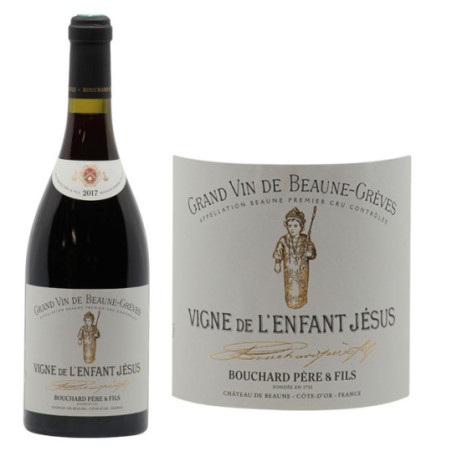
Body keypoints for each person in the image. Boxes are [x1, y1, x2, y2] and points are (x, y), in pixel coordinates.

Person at [273, 207, 317, 309]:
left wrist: (310, 254)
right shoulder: (284, 240)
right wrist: (277, 262)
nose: (292, 229)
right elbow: (279, 251)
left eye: (295, 226)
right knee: (290, 288)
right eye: (290, 226)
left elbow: (312, 252)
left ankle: (302, 303)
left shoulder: (305, 239)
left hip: (301, 272)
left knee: (301, 288)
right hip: (289, 272)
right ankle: (290, 303)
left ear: (301, 227)